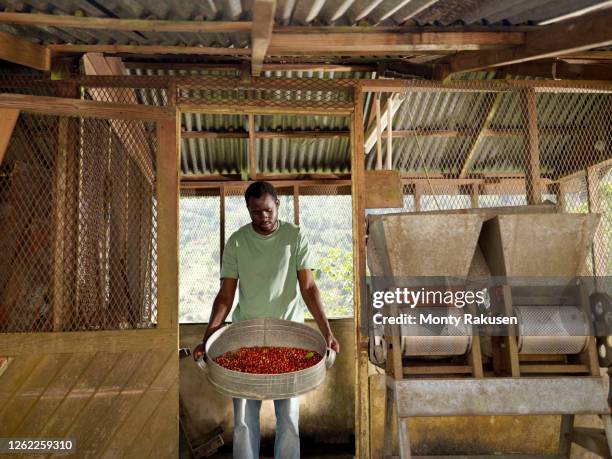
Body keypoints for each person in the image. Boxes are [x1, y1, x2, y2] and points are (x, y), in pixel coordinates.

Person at [193, 181, 340, 459]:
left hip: (290, 337)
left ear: (278, 205)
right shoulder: (237, 241)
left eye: (268, 210)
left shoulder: (295, 236)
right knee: (245, 420)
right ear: (248, 210)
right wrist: (207, 339)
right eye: (256, 211)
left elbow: (309, 288)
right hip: (245, 336)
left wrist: (328, 333)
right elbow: (225, 296)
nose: (263, 217)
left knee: (288, 419)